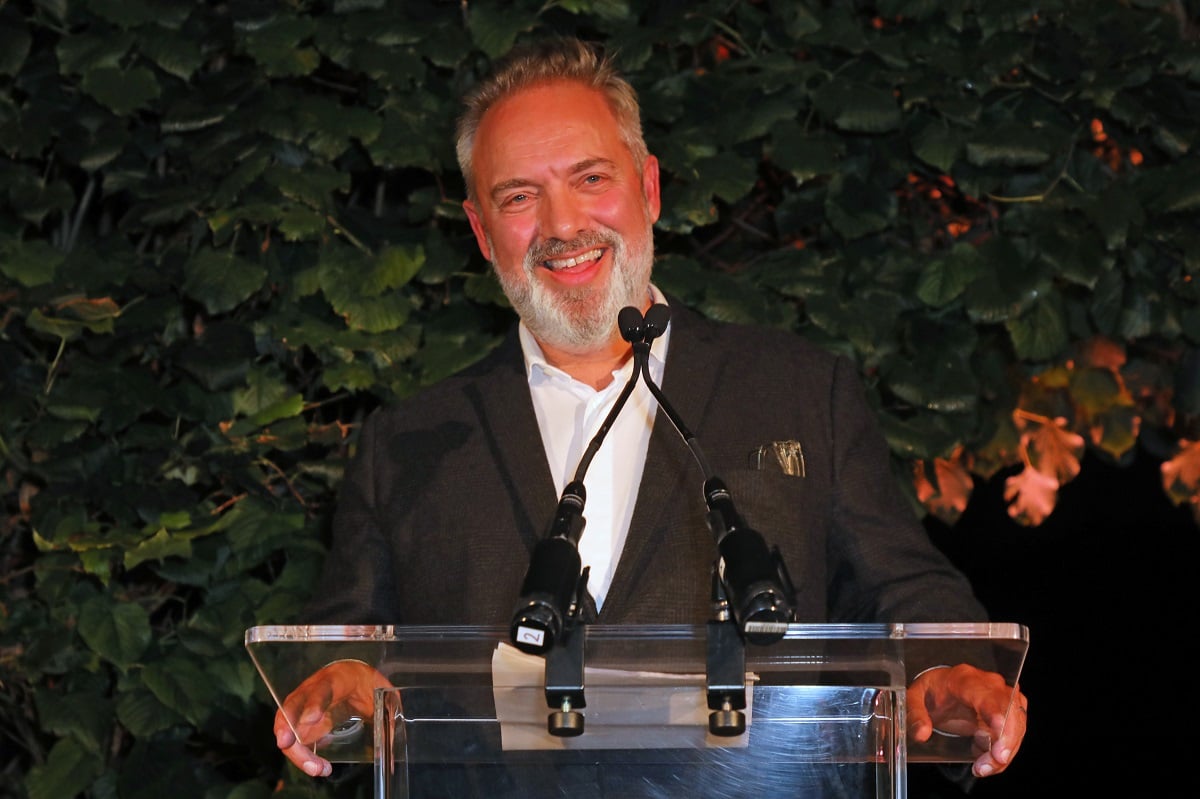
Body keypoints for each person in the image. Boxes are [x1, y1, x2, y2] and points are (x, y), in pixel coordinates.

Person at [273, 35, 1028, 789]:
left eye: (590, 178)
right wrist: (335, 695)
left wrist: (948, 672)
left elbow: (906, 594)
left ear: (649, 187)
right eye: (519, 197)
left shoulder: (800, 390)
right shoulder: (405, 445)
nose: (563, 224)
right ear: (480, 230)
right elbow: (343, 666)